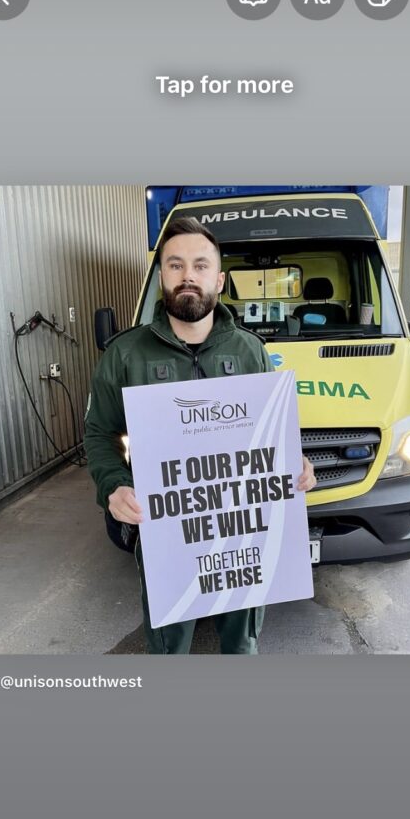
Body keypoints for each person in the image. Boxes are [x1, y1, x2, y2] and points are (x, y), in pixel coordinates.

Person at [84, 216, 316, 654]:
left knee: (241, 643)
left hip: (243, 534)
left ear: (219, 278)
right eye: (175, 265)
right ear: (161, 278)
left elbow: (269, 435)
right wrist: (112, 485)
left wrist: (293, 464)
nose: (188, 275)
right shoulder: (125, 354)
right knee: (170, 646)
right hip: (166, 533)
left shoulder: (250, 350)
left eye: (200, 265)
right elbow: (98, 433)